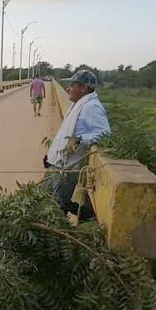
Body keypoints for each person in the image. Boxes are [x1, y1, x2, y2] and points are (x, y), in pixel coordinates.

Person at [43, 70, 110, 219]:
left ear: (83, 88)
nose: (68, 89)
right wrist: (50, 156)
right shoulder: (79, 104)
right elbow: (65, 133)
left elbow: (105, 133)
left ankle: (86, 219)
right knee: (42, 199)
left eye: (72, 85)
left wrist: (80, 139)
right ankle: (87, 217)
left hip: (67, 168)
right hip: (57, 164)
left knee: (56, 207)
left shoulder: (91, 107)